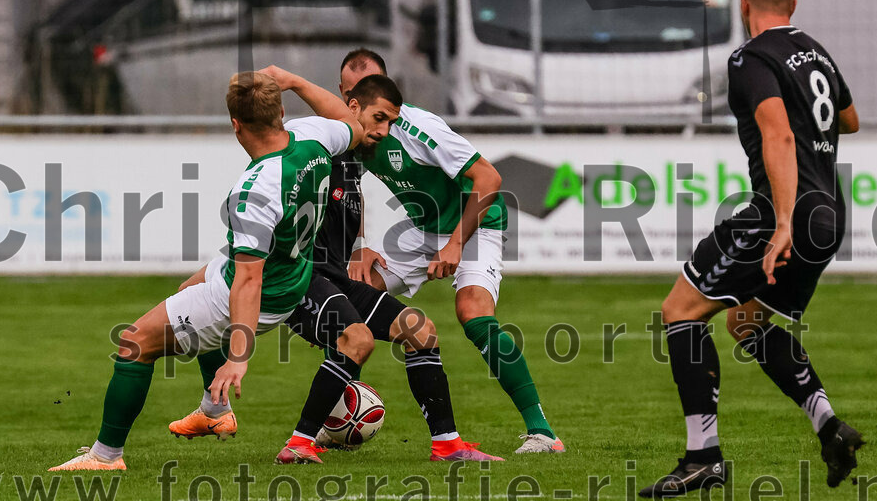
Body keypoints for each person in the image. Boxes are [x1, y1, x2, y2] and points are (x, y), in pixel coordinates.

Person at [170, 68, 502, 462]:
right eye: (377, 118)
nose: (382, 130)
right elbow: (342, 120)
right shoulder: (319, 143)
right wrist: (292, 81)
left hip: (332, 277)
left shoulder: (357, 155)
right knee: (193, 296)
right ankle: (265, 429)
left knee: (421, 331)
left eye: (391, 122)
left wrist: (361, 244)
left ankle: (447, 445)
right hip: (300, 277)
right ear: (351, 106)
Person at [50, 69, 369, 470]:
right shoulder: (314, 136)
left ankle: (105, 456)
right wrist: (297, 80)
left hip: (263, 290)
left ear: (236, 125)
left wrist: (238, 356)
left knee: (134, 346)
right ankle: (214, 411)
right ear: (282, 112)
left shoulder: (255, 190)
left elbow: (248, 280)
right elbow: (353, 125)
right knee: (190, 285)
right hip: (290, 268)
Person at [639, 0, 864, 497]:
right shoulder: (816, 51)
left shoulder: (751, 57)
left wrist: (782, 218)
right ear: (794, 4)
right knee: (744, 323)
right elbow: (850, 120)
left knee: (679, 312)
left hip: (783, 213)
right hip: (830, 209)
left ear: (743, 5)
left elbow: (778, 135)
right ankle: (831, 426)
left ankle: (703, 458)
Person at [343, 49, 564, 454]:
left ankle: (543, 433)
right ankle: (332, 420)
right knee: (350, 297)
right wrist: (360, 247)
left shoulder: (420, 128)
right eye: (347, 94)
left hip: (474, 222)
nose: (354, 102)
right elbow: (351, 190)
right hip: (422, 227)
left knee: (473, 312)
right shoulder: (349, 133)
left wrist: (455, 244)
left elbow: (489, 177)